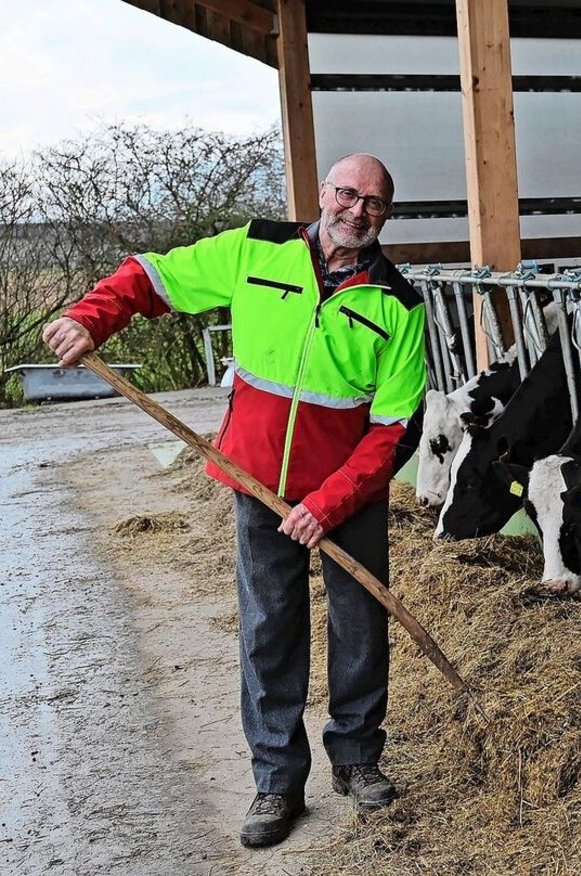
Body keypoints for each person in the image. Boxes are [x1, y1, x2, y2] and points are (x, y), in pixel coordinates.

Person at [43, 154, 427, 849]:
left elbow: (394, 425)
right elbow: (154, 277)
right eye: (348, 193)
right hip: (258, 481)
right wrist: (90, 319)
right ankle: (277, 779)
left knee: (361, 624)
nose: (357, 210)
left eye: (374, 202)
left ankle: (356, 758)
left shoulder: (398, 303)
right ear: (324, 192)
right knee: (270, 627)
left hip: (349, 490)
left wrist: (331, 501)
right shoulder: (256, 247)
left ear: (386, 215)